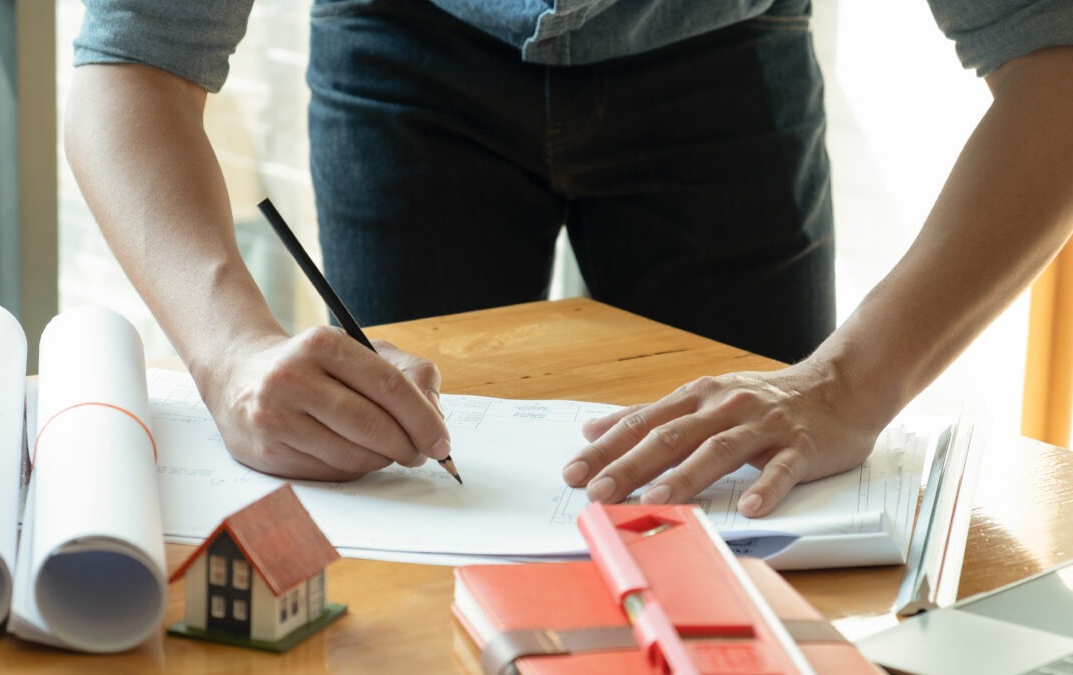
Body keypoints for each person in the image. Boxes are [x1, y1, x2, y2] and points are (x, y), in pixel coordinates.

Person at [66, 1, 1073, 517]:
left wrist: (847, 385)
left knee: (755, 513)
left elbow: (1057, 64)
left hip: (722, 47)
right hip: (403, 40)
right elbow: (131, 56)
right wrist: (230, 354)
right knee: (389, 482)